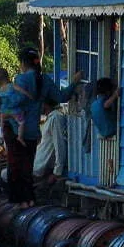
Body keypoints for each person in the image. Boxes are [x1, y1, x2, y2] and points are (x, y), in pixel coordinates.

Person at [7, 48, 82, 208]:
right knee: (27, 167)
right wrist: (74, 82)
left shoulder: (21, 80)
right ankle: (29, 200)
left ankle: (20, 203)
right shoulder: (45, 80)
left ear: (23, 64)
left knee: (15, 169)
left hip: (18, 129)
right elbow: (62, 97)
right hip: (32, 131)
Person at [0, 67, 31, 146]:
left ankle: (2, 136)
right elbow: (22, 91)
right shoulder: (12, 86)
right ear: (7, 76)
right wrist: (29, 95)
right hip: (14, 111)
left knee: (2, 123)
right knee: (21, 122)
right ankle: (20, 137)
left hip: (4, 112)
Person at [33, 99, 68, 182]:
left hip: (40, 168)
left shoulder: (55, 118)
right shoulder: (50, 118)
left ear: (44, 104)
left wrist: (56, 172)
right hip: (36, 165)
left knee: (6, 175)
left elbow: (60, 146)